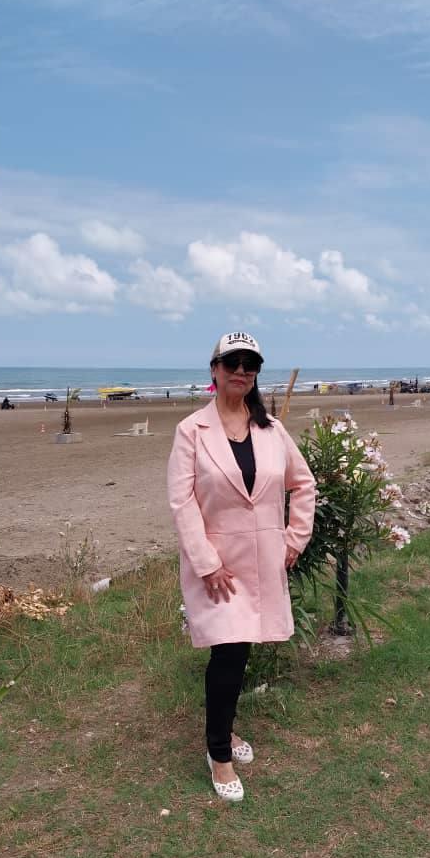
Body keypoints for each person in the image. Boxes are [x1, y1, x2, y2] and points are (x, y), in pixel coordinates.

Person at [167, 333, 316, 802]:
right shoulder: (191, 430)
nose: (241, 371)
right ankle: (219, 753)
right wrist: (206, 563)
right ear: (214, 369)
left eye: (250, 364)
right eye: (232, 362)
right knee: (228, 653)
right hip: (218, 569)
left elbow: (303, 483)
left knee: (238, 651)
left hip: (262, 563)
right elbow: (182, 502)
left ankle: (224, 729)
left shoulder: (271, 430)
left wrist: (294, 538)